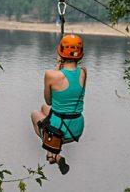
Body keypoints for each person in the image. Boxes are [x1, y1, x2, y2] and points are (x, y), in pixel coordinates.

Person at [31, 34, 87, 175]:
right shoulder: (84, 72)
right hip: (76, 129)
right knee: (45, 110)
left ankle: (54, 153)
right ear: (80, 55)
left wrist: (57, 68)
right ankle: (53, 154)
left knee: (35, 114)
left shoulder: (51, 74)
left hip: (60, 131)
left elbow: (48, 100)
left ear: (60, 52)